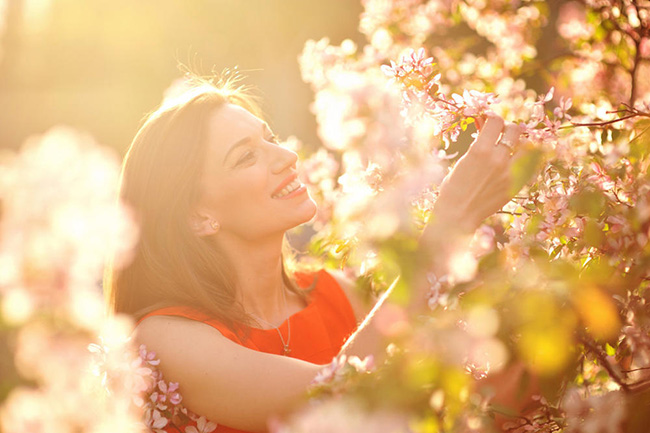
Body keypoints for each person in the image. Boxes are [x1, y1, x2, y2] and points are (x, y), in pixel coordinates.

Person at [105, 77, 524, 433]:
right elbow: (335, 395)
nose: (286, 157)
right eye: (247, 156)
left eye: (269, 138)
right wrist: (446, 227)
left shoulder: (338, 293)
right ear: (199, 216)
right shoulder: (164, 338)